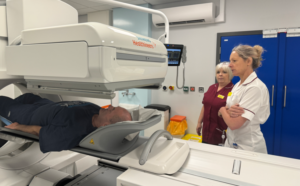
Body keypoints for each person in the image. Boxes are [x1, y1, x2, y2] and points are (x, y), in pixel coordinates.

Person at [0, 93, 132, 153]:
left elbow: (38, 131)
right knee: (27, 96)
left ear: (105, 126)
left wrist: (18, 126)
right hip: (43, 105)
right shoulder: (96, 110)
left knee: (2, 101)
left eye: (112, 110)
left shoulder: (74, 132)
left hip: (29, 116)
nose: (109, 106)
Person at [219, 44, 270, 153]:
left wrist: (223, 110)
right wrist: (227, 111)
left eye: (234, 61)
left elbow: (234, 124)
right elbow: (229, 111)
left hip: (248, 147)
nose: (230, 65)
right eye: (230, 61)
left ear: (248, 61)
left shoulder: (255, 88)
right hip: (231, 143)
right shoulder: (238, 85)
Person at [196, 62, 234, 145]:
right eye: (218, 72)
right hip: (206, 130)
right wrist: (199, 122)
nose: (220, 74)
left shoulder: (233, 90)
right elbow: (205, 106)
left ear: (230, 74)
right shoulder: (212, 87)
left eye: (224, 72)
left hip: (221, 132)